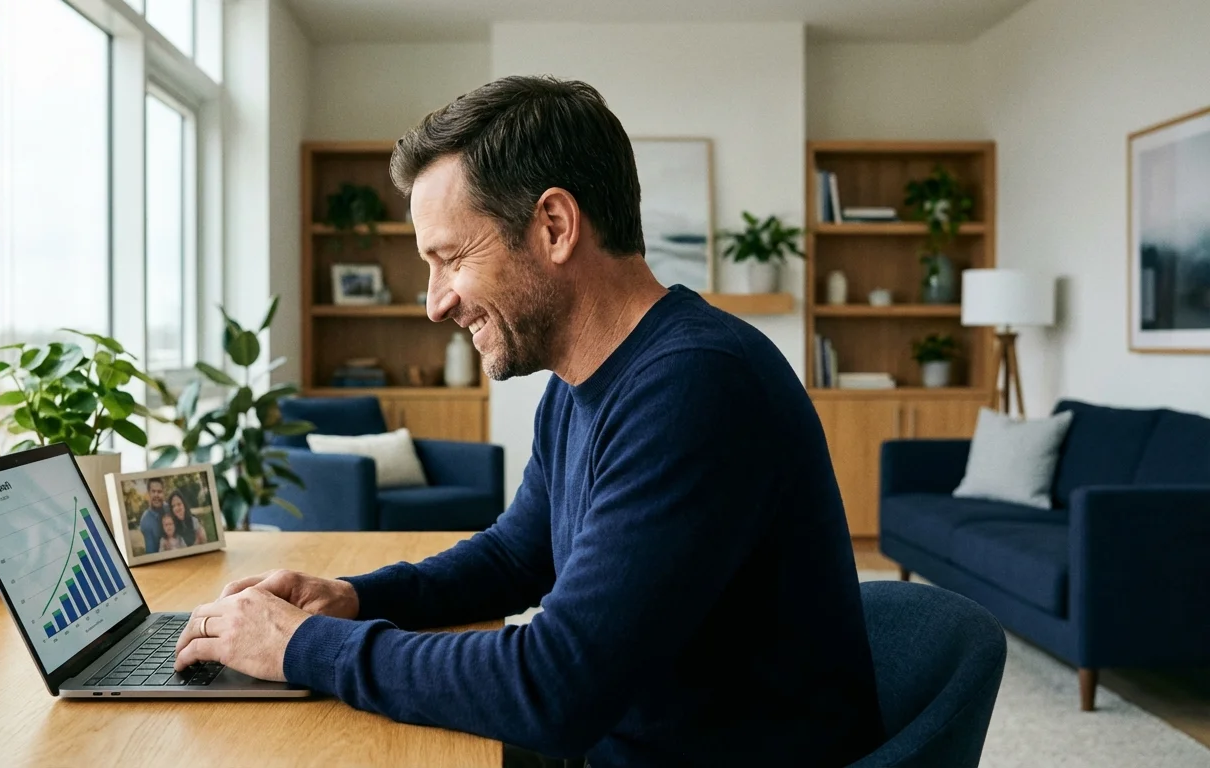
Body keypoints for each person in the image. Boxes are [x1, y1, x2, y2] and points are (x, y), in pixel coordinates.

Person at [174, 76, 883, 767]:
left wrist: (302, 647)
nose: (435, 303)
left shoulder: (698, 384)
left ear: (553, 226)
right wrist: (356, 598)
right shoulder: (585, 384)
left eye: (449, 258)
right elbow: (517, 556)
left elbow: (558, 687)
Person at [138, 477, 170, 556]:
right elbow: (151, 554)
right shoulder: (145, 521)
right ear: (148, 494)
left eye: (159, 491)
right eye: (153, 491)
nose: (156, 495)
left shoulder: (170, 509)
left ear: (163, 493)